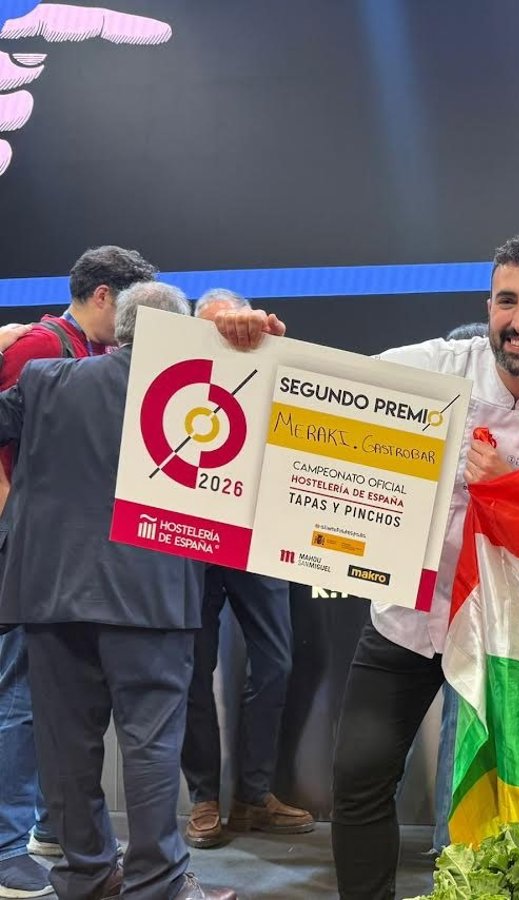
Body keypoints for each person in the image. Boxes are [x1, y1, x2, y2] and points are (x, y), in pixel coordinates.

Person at [214, 228, 519, 900]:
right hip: (407, 620)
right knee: (359, 775)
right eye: (507, 301)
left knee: (512, 800)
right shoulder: (437, 365)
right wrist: (256, 340)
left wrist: (516, 478)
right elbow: (317, 392)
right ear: (489, 305)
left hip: (511, 640)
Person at [0, 282, 235, 900]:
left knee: (66, 750)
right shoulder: (206, 393)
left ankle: (87, 875)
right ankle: (157, 883)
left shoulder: (46, 379)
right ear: (179, 332)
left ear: (119, 327)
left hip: (51, 597)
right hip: (151, 600)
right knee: (152, 749)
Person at [0, 245, 157, 899]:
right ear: (100, 297)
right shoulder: (35, 347)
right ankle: (6, 845)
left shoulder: (92, 355)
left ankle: (52, 830)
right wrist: (17, 528)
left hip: (73, 559)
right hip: (30, 554)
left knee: (58, 702)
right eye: (129, 309)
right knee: (17, 697)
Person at [181, 290, 313, 850]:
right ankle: (204, 799)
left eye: (234, 325)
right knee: (191, 670)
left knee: (276, 665)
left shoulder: (271, 355)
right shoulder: (177, 367)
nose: (227, 335)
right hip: (191, 533)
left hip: (258, 533)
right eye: (212, 328)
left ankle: (254, 797)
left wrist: (273, 342)